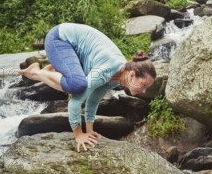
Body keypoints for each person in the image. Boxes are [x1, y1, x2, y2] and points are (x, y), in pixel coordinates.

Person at [18, 23, 156, 152]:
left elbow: (93, 100)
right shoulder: (106, 69)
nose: (144, 91)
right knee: (77, 86)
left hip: (76, 50)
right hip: (59, 39)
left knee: (81, 85)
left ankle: (52, 69)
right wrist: (78, 134)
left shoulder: (118, 78)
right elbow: (75, 102)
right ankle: (38, 72)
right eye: (144, 85)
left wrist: (90, 131)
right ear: (132, 75)